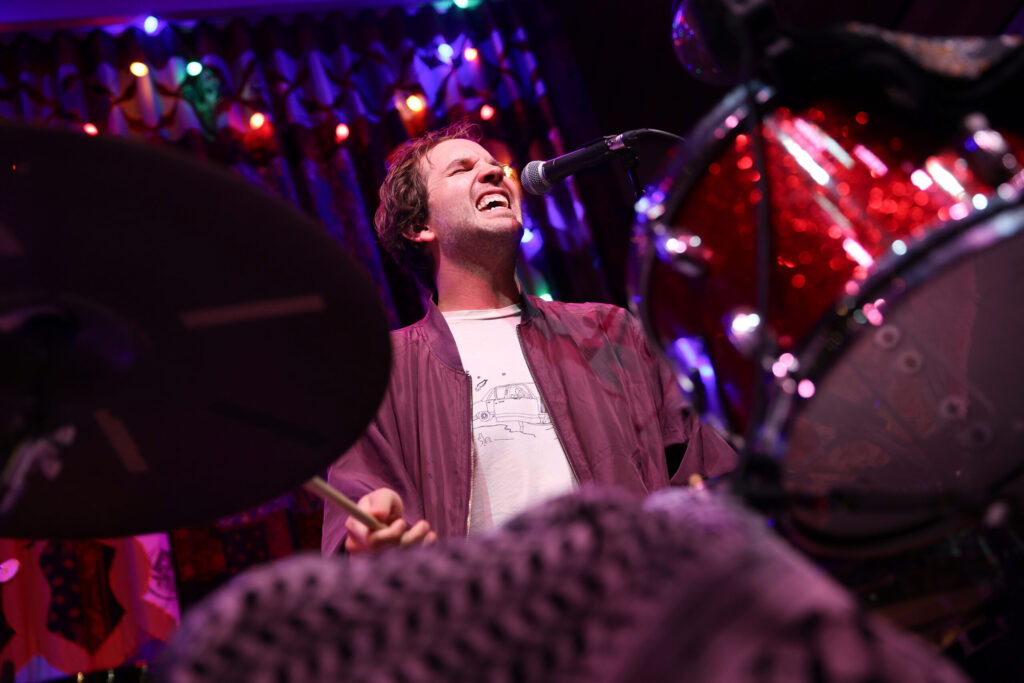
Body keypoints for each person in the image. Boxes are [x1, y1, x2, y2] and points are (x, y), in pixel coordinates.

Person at [322, 121, 737, 555]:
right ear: (418, 226)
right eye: (461, 169)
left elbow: (705, 474)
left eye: (493, 165)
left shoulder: (609, 332)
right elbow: (357, 520)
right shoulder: (382, 369)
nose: (494, 172)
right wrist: (369, 539)